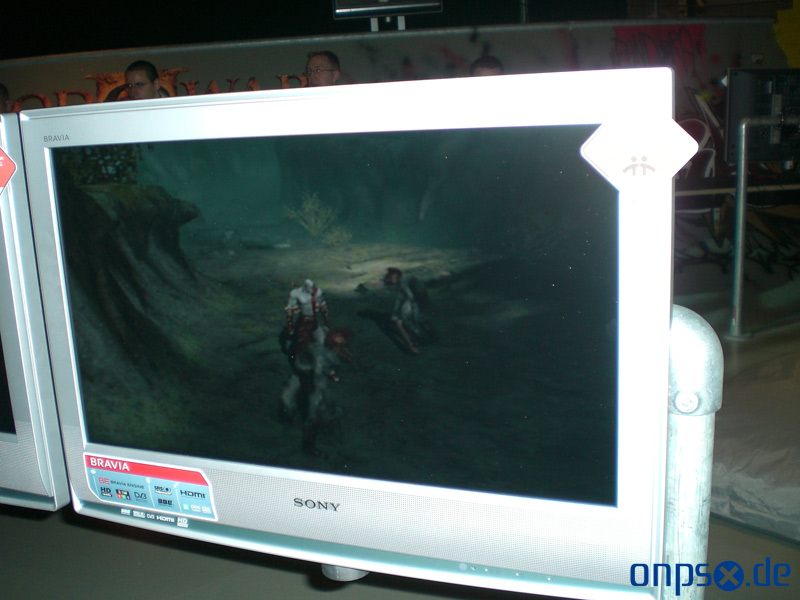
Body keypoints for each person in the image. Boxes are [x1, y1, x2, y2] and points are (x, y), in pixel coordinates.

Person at [383, 267, 429, 355]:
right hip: (410, 306)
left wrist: (401, 311)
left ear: (396, 275)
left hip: (410, 306)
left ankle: (414, 344)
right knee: (411, 324)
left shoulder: (401, 283)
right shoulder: (401, 282)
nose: (390, 277)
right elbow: (401, 298)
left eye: (391, 275)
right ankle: (417, 341)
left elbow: (408, 296)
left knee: (406, 324)